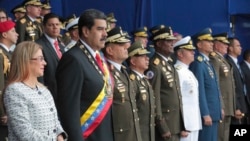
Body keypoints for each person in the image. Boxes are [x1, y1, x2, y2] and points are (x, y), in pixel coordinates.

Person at [56, 9, 114, 141]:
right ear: (86, 31)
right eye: (100, 29)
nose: (105, 34)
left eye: (105, 29)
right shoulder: (73, 59)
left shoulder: (98, 57)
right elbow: (68, 110)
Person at [3, 41, 67, 141]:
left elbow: (55, 122)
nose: (45, 63)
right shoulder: (14, 91)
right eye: (40, 59)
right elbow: (24, 133)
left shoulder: (44, 89)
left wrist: (60, 136)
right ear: (26, 61)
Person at [102, 26, 142, 141]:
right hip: (118, 135)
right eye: (121, 45)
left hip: (131, 133)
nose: (126, 47)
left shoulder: (123, 70)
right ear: (109, 50)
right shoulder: (106, 72)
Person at [146, 25, 184, 141]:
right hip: (166, 125)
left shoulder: (168, 63)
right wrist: (162, 126)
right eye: (168, 41)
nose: (172, 43)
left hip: (175, 124)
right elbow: (154, 97)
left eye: (172, 40)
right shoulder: (155, 66)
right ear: (158, 43)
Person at [190, 28, 222, 141]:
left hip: (214, 112)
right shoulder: (198, 64)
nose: (211, 43)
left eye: (211, 41)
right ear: (199, 44)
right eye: (208, 41)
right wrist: (205, 113)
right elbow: (200, 90)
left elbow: (215, 88)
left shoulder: (207, 62)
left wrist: (220, 107)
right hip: (208, 114)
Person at [173, 36, 202, 141]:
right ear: (180, 54)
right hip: (185, 125)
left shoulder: (189, 72)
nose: (193, 53)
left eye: (193, 50)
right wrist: (180, 125)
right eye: (189, 50)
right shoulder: (177, 72)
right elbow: (176, 101)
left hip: (193, 122)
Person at [209, 33, 236, 141]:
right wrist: (220, 105)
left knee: (225, 135)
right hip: (222, 105)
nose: (227, 46)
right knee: (220, 136)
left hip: (228, 105)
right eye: (223, 43)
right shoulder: (214, 59)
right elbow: (215, 84)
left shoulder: (222, 60)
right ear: (216, 45)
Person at [127, 41, 155, 141]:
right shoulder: (131, 81)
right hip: (137, 135)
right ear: (133, 61)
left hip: (147, 133)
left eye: (147, 56)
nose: (147, 58)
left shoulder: (144, 79)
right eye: (142, 56)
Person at [36, 13, 65, 101]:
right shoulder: (38, 45)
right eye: (51, 25)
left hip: (64, 93)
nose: (55, 27)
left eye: (57, 24)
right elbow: (39, 75)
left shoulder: (61, 45)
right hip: (49, 94)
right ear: (44, 27)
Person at [0, 20, 18, 141]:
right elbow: (0, 86)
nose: (17, 34)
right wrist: (2, 112)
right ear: (4, 35)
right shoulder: (1, 55)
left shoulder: (8, 53)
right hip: (5, 108)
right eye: (13, 31)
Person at [225, 37, 249, 125]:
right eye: (238, 46)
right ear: (230, 48)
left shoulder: (237, 63)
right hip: (236, 107)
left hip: (243, 105)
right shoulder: (228, 63)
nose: (241, 48)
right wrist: (236, 107)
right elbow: (231, 88)